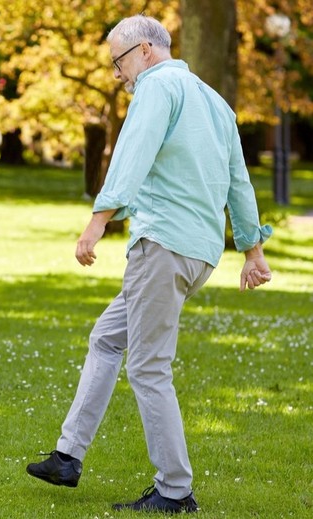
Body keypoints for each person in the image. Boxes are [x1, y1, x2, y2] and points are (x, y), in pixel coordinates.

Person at [25, 15, 273, 514]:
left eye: (118, 62)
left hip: (161, 246)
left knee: (148, 366)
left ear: (143, 50)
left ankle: (175, 490)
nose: (117, 74)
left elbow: (131, 157)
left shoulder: (158, 89)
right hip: (198, 252)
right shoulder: (215, 102)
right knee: (107, 337)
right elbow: (238, 181)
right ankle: (67, 456)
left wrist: (97, 223)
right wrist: (251, 249)